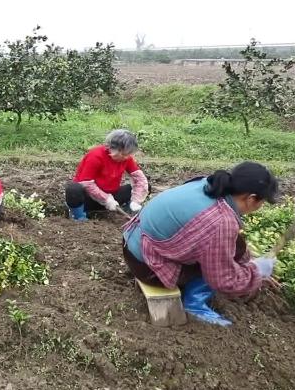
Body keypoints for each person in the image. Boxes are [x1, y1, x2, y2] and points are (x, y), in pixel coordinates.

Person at [121, 161, 280, 326]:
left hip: (133, 241)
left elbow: (233, 245)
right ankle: (194, 303)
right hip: (145, 265)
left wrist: (249, 263)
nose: (261, 206)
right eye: (263, 202)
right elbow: (224, 280)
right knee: (219, 264)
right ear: (251, 198)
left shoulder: (208, 183)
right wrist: (256, 273)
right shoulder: (222, 221)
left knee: (235, 245)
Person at [65, 129, 149, 221]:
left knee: (145, 186)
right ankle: (79, 217)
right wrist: (106, 199)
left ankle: (127, 212)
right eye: (123, 153)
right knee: (73, 188)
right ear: (114, 148)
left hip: (112, 197)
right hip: (89, 198)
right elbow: (87, 184)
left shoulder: (126, 159)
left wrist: (135, 202)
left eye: (128, 154)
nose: (126, 157)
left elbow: (139, 179)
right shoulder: (95, 156)